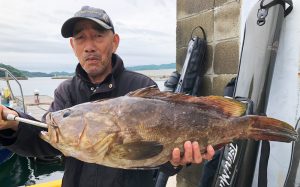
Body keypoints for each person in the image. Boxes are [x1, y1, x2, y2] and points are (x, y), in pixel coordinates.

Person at [0, 6, 214, 187]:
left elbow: (158, 159)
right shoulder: (66, 92)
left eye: (98, 36)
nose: (89, 47)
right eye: (81, 38)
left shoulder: (142, 86)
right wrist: (12, 125)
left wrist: (179, 160)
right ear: (73, 46)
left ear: (115, 42)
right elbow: (45, 142)